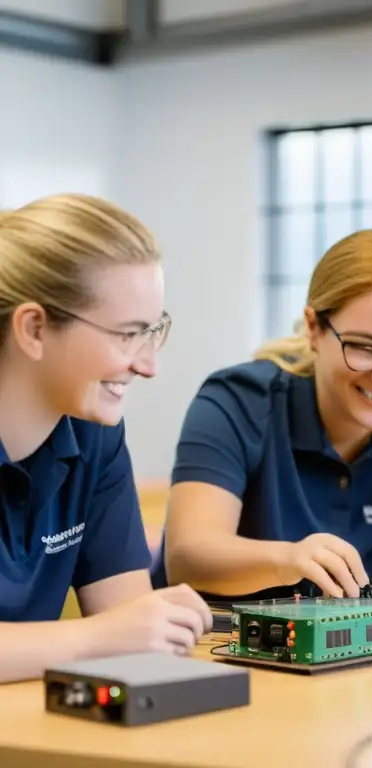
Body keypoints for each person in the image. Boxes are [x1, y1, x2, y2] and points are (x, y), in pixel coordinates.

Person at [154, 229, 372, 602]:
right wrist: (287, 559)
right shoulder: (237, 402)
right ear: (313, 329)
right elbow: (187, 557)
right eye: (365, 347)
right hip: (212, 647)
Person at [0, 193, 213, 684]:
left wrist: (161, 626)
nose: (147, 365)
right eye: (126, 335)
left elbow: (134, 633)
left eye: (153, 331)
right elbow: (114, 635)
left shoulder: (96, 436)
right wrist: (94, 640)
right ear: (34, 328)